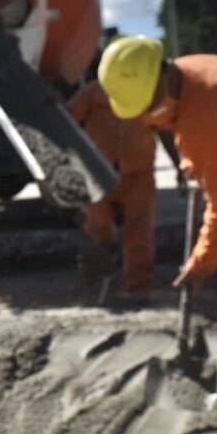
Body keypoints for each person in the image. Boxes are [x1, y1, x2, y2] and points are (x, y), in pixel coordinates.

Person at [97, 36, 217, 292]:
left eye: (150, 107)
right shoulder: (191, 72)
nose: (148, 119)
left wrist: (200, 264)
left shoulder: (206, 118)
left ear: (163, 81)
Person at [67, 79, 157, 299]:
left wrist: (179, 165)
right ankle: (99, 283)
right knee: (98, 229)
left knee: (139, 234)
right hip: (98, 174)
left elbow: (165, 128)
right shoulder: (92, 92)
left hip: (138, 174)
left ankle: (139, 288)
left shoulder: (146, 90)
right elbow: (67, 118)